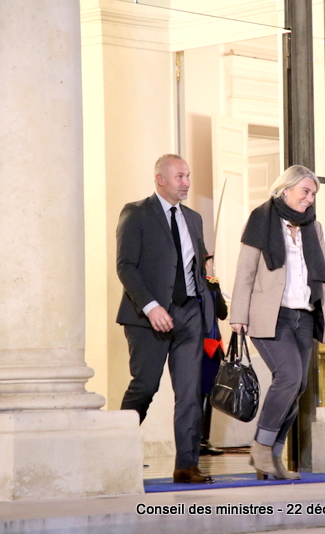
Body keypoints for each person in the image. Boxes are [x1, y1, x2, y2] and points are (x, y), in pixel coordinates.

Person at [229, 164, 325, 480]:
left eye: (313, 194)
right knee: (288, 376)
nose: (310, 199)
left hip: (304, 315)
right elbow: (245, 272)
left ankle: (271, 457)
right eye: (306, 192)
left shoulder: (313, 227)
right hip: (271, 316)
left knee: (297, 385)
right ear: (286, 189)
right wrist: (238, 316)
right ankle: (261, 445)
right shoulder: (261, 219)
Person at [116, 154, 215, 484]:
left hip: (189, 315)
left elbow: (197, 266)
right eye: (179, 177)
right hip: (148, 318)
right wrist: (151, 307)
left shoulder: (194, 219)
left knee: (189, 393)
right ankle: (115, 453)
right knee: (145, 386)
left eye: (188, 176)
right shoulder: (136, 213)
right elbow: (125, 266)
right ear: (160, 179)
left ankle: (186, 466)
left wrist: (207, 299)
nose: (186, 182)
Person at [200, 255, 227, 456]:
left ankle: (201, 439)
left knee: (205, 394)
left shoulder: (210, 285)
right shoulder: (208, 285)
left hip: (206, 346)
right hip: (200, 346)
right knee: (199, 394)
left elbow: (223, 313)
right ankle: (198, 440)